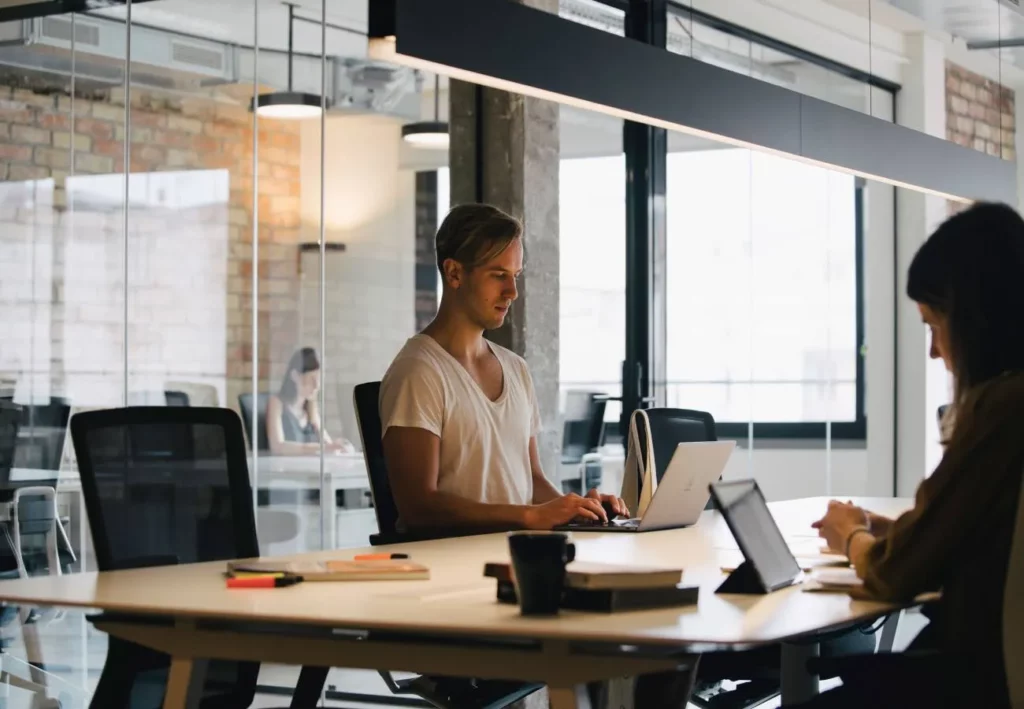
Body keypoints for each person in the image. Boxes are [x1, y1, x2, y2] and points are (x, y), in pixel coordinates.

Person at [810, 202, 1024, 709]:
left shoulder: (1002, 409)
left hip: (977, 683)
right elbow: (984, 534)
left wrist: (852, 537)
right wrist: (901, 528)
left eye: (933, 324)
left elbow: (896, 572)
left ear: (975, 319)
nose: (934, 351)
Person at [380, 203, 627, 531]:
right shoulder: (419, 372)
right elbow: (418, 507)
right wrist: (527, 516)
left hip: (518, 555)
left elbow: (533, 480)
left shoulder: (515, 368)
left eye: (515, 276)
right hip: (458, 566)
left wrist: (579, 511)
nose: (512, 292)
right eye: (498, 276)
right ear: (454, 273)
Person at [266, 347, 353, 456]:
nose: (317, 386)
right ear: (295, 376)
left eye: (319, 379)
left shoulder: (311, 407)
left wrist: (340, 446)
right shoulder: (276, 403)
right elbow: (277, 446)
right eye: (312, 378)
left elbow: (327, 443)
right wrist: (322, 448)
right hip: (284, 470)